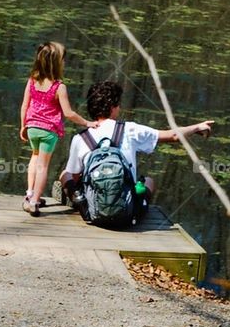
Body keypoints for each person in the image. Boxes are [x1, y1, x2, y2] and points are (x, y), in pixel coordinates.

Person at [59, 80, 213, 222]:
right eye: (118, 104)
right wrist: (197, 127)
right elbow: (173, 135)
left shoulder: (81, 138)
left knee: (65, 174)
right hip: (126, 212)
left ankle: (81, 203)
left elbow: (75, 177)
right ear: (112, 107)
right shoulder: (129, 129)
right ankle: (140, 205)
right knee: (148, 181)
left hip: (95, 212)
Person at [19, 41, 89, 216]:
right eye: (63, 59)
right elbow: (69, 113)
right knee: (43, 166)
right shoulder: (59, 87)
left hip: (32, 128)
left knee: (34, 159)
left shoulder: (32, 81)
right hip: (48, 132)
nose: (64, 62)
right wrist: (87, 123)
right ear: (57, 63)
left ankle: (30, 194)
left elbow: (24, 105)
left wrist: (23, 126)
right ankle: (34, 202)